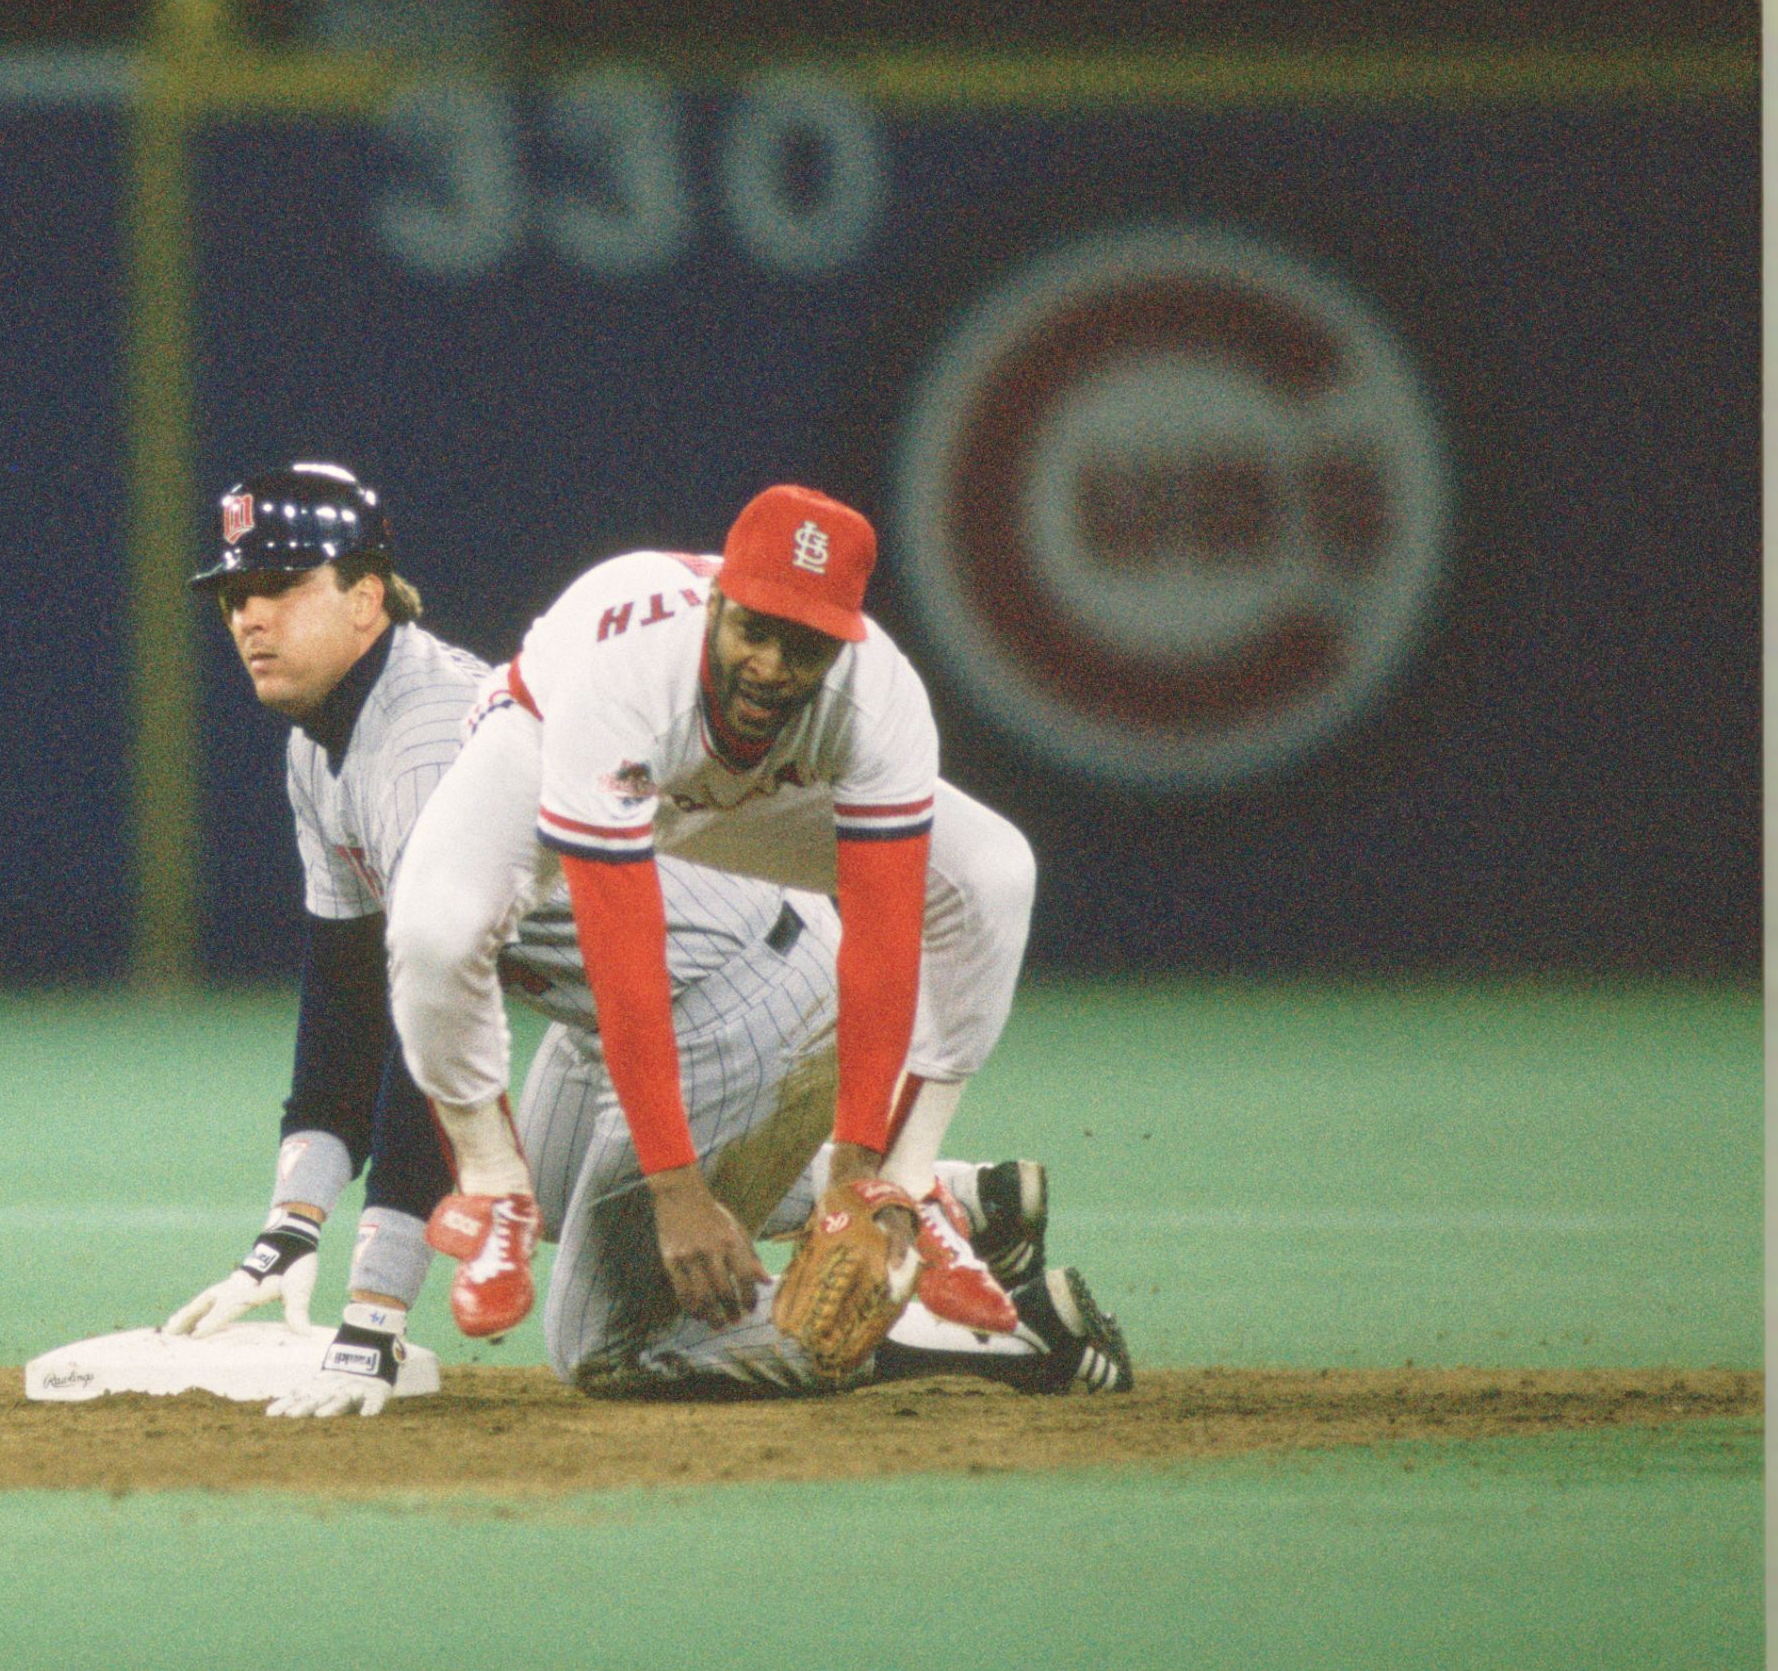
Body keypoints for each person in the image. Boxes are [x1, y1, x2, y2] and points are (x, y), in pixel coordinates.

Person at [167, 464, 1127, 1413]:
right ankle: (973, 1203)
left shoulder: (422, 746)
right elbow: (351, 997)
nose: (250, 616)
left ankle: (978, 1329)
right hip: (645, 992)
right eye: (237, 594)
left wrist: (374, 1311)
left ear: (367, 595)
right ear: (715, 602)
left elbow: (454, 1028)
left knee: (604, 1343)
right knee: (533, 1179)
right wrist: (291, 1223)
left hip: (733, 990)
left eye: (280, 587)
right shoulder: (324, 747)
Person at [390, 482, 1058, 1357]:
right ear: (717, 601)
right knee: (434, 926)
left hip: (751, 789)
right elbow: (626, 958)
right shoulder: (625, 676)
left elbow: (883, 943)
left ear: (846, 639)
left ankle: (914, 1178)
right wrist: (677, 1190)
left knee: (994, 871)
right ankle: (494, 1182)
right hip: (553, 740)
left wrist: (861, 1174)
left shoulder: (878, 697)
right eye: (756, 629)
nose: (774, 665)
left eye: (807, 643)